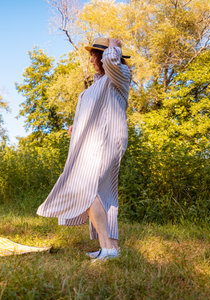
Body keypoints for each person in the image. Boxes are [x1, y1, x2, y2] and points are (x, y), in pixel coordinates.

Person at [37, 37, 131, 261]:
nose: (91, 60)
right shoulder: (99, 84)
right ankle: (111, 248)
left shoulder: (118, 75)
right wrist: (77, 127)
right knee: (105, 194)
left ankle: (107, 247)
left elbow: (112, 62)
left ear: (104, 56)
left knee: (85, 187)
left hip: (106, 141)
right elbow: (93, 113)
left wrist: (113, 46)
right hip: (93, 141)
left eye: (93, 56)